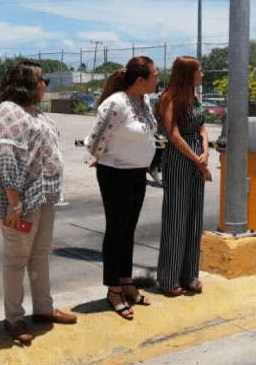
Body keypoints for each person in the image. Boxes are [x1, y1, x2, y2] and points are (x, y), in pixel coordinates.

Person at [0, 59, 76, 345]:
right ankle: (13, 317)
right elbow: (5, 155)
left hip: (42, 196)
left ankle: (43, 309)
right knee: (16, 260)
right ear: (26, 82)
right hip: (20, 200)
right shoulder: (8, 111)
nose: (45, 84)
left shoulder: (33, 111)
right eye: (41, 79)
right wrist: (14, 202)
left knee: (40, 255)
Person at [85, 56, 158, 320]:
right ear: (141, 80)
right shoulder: (115, 104)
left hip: (136, 173)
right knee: (116, 232)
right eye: (155, 75)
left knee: (128, 230)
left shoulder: (144, 100)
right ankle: (113, 290)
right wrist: (98, 157)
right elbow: (95, 139)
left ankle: (126, 282)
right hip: (115, 173)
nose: (157, 80)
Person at [156, 56, 211, 297]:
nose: (202, 74)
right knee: (176, 218)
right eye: (199, 70)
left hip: (197, 158)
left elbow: (202, 128)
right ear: (188, 73)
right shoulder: (170, 99)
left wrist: (206, 151)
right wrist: (196, 157)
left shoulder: (195, 99)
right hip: (180, 158)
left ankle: (190, 274)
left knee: (194, 217)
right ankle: (169, 278)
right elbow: (173, 134)